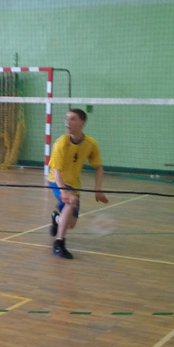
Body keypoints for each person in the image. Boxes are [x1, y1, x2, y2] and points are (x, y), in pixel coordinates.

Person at [47, 109, 108, 259]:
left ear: (82, 123)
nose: (67, 123)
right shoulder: (61, 143)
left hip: (74, 184)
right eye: (66, 119)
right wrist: (63, 191)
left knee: (71, 224)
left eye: (72, 119)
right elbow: (56, 171)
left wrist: (98, 189)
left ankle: (56, 219)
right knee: (71, 201)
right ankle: (59, 244)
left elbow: (99, 167)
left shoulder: (90, 144)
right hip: (57, 180)